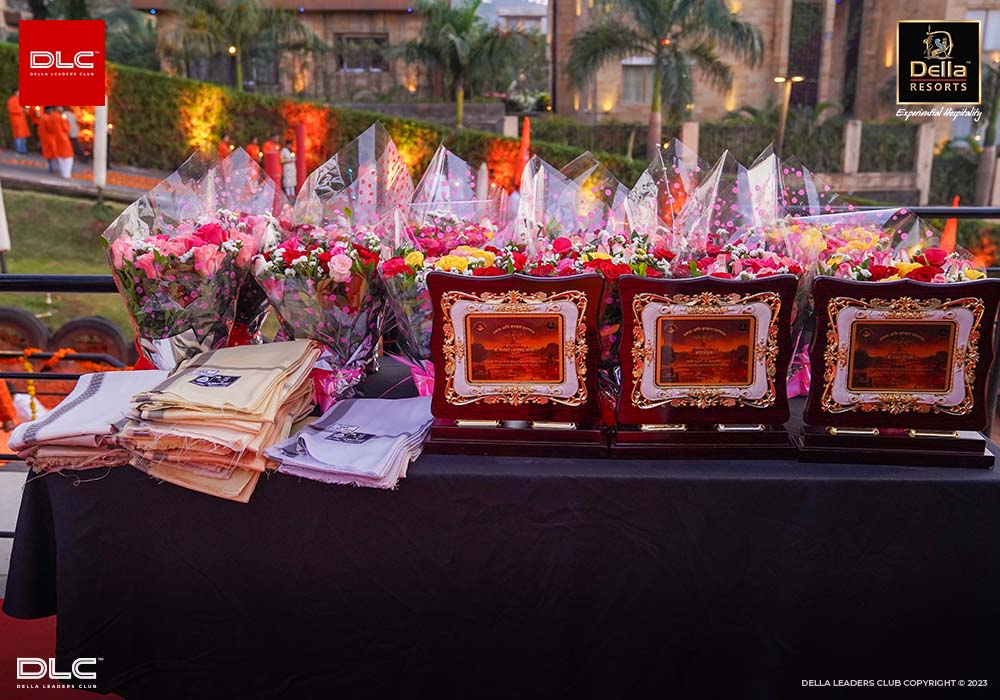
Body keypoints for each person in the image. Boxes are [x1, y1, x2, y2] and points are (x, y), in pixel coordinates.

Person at [47, 106, 74, 178]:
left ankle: (64, 173)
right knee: (68, 157)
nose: (62, 109)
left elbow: (49, 128)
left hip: (55, 138)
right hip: (63, 138)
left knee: (60, 156)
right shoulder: (60, 117)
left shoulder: (50, 117)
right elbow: (66, 128)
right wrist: (67, 122)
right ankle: (66, 174)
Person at [6, 88, 30, 154]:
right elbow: (11, 110)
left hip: (22, 120)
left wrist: (26, 110)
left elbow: (26, 108)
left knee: (23, 135)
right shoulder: (11, 100)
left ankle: (23, 149)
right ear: (15, 92)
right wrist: (22, 110)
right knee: (18, 135)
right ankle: (19, 149)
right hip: (16, 120)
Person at [37, 106, 57, 173]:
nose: (52, 111)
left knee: (48, 153)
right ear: (47, 110)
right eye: (51, 110)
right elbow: (50, 128)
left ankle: (51, 167)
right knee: (51, 153)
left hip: (44, 138)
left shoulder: (42, 117)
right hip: (49, 138)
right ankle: (52, 168)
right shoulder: (47, 118)